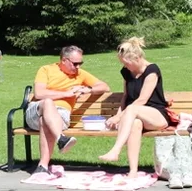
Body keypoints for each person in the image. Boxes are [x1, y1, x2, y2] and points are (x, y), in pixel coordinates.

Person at [98, 37, 178, 177]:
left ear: (137, 58)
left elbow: (141, 100)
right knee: (134, 123)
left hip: (156, 115)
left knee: (132, 109)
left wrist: (119, 117)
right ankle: (133, 171)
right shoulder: (126, 72)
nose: (125, 66)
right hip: (134, 115)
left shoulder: (152, 70)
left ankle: (116, 150)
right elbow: (126, 97)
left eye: (127, 63)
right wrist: (119, 114)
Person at [27, 46, 109, 175]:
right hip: (36, 111)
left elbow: (104, 86)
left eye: (80, 63)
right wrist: (67, 93)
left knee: (46, 121)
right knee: (48, 102)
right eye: (75, 63)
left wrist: (89, 89)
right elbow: (39, 93)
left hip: (60, 116)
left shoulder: (80, 74)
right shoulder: (46, 70)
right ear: (64, 60)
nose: (78, 67)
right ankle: (61, 138)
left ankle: (42, 166)